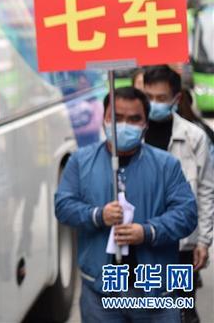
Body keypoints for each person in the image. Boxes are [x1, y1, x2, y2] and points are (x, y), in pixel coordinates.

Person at [55, 87, 197, 322]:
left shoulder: (166, 165)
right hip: (100, 292)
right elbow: (63, 206)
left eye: (133, 119)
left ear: (145, 124)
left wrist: (148, 231)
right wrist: (97, 215)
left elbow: (187, 214)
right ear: (104, 119)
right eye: (117, 117)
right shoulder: (80, 161)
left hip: (154, 292)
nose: (123, 125)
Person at [143, 66, 214, 323]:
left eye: (161, 98)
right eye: (148, 97)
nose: (153, 103)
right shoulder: (133, 135)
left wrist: (203, 241)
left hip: (181, 245)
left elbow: (206, 190)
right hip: (141, 242)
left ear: (176, 98)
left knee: (181, 308)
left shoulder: (194, 137)